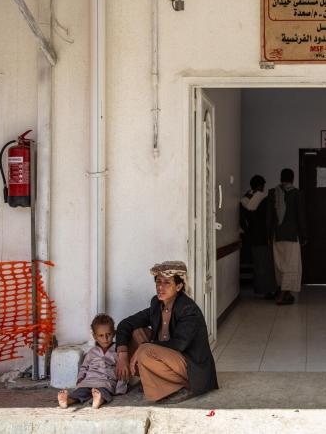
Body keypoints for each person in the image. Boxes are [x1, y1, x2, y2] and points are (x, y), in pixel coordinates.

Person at [115, 261, 218, 403]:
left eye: (167, 283)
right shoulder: (157, 304)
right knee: (136, 332)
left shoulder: (188, 309)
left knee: (145, 350)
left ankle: (181, 386)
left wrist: (145, 347)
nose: (160, 287)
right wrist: (122, 354)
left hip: (191, 366)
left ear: (179, 286)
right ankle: (156, 382)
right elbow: (125, 324)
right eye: (158, 282)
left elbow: (179, 344)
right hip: (167, 358)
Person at [57, 314, 127, 409]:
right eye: (101, 335)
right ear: (95, 336)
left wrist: (119, 388)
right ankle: (67, 400)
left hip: (106, 381)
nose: (105, 339)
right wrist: (80, 379)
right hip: (89, 380)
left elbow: (122, 371)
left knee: (103, 391)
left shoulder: (118, 351)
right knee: (80, 392)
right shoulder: (92, 352)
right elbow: (84, 367)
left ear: (114, 333)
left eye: (108, 334)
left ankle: (98, 399)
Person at [267, 168, 306, 305]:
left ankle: (287, 295)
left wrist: (269, 235)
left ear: (280, 178)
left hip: (277, 236)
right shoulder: (297, 193)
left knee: (280, 265)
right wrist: (304, 235)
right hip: (292, 236)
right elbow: (301, 217)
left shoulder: (273, 192)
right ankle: (282, 296)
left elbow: (269, 217)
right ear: (293, 178)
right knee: (292, 265)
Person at [241, 175, 276, 298]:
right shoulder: (263, 198)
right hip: (262, 236)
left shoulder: (245, 198)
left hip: (250, 237)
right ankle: (267, 290)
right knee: (265, 265)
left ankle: (261, 289)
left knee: (258, 265)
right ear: (260, 186)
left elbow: (243, 219)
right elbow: (267, 220)